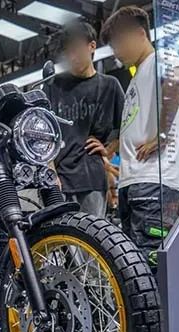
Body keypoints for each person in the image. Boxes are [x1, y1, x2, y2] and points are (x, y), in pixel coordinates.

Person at [100, 6, 179, 264]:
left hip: (154, 179)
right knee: (134, 263)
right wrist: (114, 145)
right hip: (134, 180)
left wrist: (162, 135)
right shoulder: (138, 74)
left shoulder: (162, 58)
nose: (116, 52)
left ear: (140, 34)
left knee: (149, 261)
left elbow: (175, 80)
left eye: (118, 43)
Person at [43, 20, 125, 217]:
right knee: (57, 235)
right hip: (59, 179)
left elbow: (128, 127)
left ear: (92, 46)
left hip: (92, 180)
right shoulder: (54, 86)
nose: (73, 56)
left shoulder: (110, 86)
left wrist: (108, 149)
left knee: (91, 234)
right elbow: (44, 135)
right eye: (69, 51)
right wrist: (50, 172)